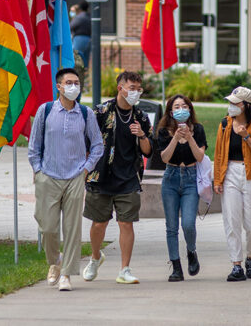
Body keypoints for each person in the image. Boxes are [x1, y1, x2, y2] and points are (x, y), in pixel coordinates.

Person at [28, 68, 103, 291]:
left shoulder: (86, 114)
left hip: (75, 176)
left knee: (72, 228)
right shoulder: (46, 110)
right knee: (48, 227)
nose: (73, 87)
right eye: (69, 82)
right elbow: (34, 146)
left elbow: (98, 145)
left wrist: (86, 169)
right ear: (58, 86)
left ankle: (67, 275)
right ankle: (55, 262)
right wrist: (38, 171)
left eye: (77, 83)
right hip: (48, 176)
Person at [82, 71, 152, 284]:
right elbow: (86, 143)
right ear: (120, 88)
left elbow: (148, 150)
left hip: (129, 177)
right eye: (132, 88)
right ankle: (95, 257)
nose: (136, 93)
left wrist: (141, 134)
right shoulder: (101, 112)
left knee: (126, 223)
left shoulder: (140, 116)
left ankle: (124, 270)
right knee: (98, 224)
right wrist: (84, 172)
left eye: (139, 89)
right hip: (101, 176)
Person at [214, 87, 251, 281]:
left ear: (246, 105)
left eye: (235, 103)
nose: (231, 106)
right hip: (230, 173)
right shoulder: (224, 124)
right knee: (232, 220)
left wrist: (246, 136)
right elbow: (219, 153)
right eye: (230, 102)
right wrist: (218, 179)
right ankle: (236, 264)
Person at [157, 95, 207, 282]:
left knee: (188, 223)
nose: (180, 109)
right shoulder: (163, 131)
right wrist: (176, 138)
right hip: (171, 177)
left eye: (184, 106)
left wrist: (190, 138)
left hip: (191, 178)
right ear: (171, 112)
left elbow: (200, 157)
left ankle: (191, 250)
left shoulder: (198, 129)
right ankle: (176, 266)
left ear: (190, 109)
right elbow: (164, 157)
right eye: (176, 106)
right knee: (171, 227)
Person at [69, 0, 91, 68]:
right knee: (85, 59)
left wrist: (73, 15)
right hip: (89, 39)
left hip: (79, 39)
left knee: (76, 56)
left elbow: (71, 26)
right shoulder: (89, 17)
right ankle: (85, 74)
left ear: (80, 8)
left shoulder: (79, 17)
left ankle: (77, 73)